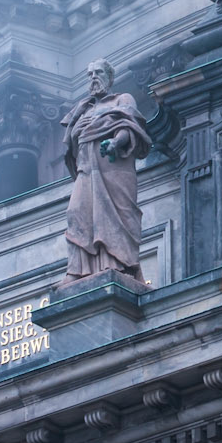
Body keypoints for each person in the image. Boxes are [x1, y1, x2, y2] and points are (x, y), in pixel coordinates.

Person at [60, 61, 152, 287]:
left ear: (110, 78)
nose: (93, 77)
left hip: (113, 171)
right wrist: (80, 132)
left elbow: (129, 126)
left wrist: (114, 142)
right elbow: (72, 145)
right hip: (86, 170)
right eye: (89, 73)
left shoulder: (123, 100)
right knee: (77, 213)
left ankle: (118, 265)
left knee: (114, 217)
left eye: (98, 72)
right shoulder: (82, 110)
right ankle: (78, 271)